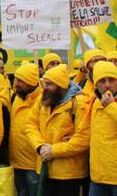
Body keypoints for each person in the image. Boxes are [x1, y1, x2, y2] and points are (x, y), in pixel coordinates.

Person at [25, 64, 90, 196]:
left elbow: (84, 138)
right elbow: (30, 124)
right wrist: (40, 146)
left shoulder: (79, 103)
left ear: (60, 86)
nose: (45, 88)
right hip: (45, 169)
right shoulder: (43, 100)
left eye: (49, 84)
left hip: (70, 175)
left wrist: (53, 150)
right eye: (44, 83)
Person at [9, 63, 42, 196]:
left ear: (32, 82)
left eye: (21, 80)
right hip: (16, 164)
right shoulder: (15, 98)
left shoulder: (42, 100)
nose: (16, 83)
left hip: (33, 166)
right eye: (16, 79)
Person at [87, 61, 117, 195]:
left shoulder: (109, 104)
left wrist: (111, 106)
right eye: (102, 81)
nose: (107, 85)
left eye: (111, 80)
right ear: (95, 84)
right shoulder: (93, 102)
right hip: (98, 177)